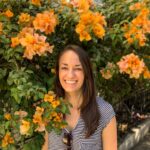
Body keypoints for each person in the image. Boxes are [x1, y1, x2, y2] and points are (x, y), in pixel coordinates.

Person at [43, 44, 117, 150]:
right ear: (58, 71)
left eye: (77, 68)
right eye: (64, 68)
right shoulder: (49, 110)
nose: (70, 75)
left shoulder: (104, 112)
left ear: (86, 73)